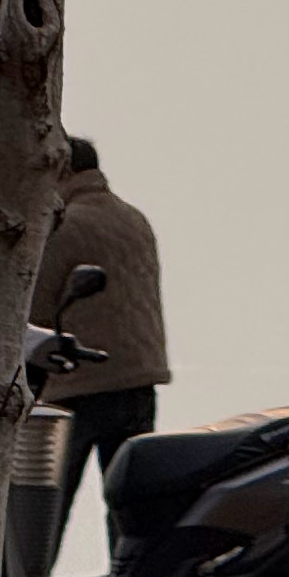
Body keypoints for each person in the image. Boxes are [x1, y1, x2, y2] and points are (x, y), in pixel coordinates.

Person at [32, 137, 169, 507]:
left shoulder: (62, 226)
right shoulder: (133, 218)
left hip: (76, 385)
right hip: (137, 379)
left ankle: (33, 569)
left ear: (62, 170)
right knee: (131, 505)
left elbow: (34, 311)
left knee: (45, 509)